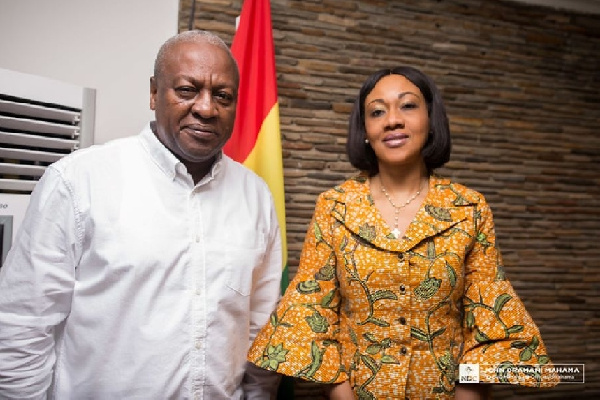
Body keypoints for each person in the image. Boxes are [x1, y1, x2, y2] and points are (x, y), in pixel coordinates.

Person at [0, 30, 282, 399]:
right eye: (186, 90)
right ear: (153, 93)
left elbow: (262, 326)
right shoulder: (77, 181)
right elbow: (23, 325)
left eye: (223, 96)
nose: (206, 108)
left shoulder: (256, 196)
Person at [247, 66, 559, 399]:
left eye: (407, 105)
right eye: (377, 111)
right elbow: (311, 311)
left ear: (430, 118)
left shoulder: (469, 209)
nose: (392, 120)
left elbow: (487, 320)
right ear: (365, 130)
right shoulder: (335, 207)